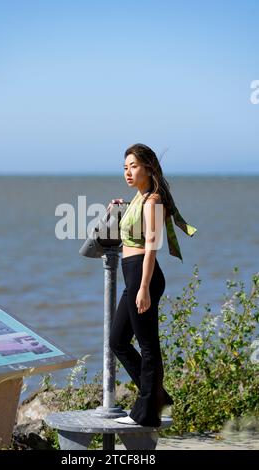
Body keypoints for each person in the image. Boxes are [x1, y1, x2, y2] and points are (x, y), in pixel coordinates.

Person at [108, 143, 197, 427]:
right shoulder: (139, 198)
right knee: (118, 341)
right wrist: (118, 208)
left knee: (148, 345)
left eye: (133, 166)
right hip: (131, 275)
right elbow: (132, 232)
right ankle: (157, 396)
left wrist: (144, 287)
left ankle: (147, 412)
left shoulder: (154, 200)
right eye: (125, 167)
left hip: (143, 276)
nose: (128, 172)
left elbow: (150, 246)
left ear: (148, 167)